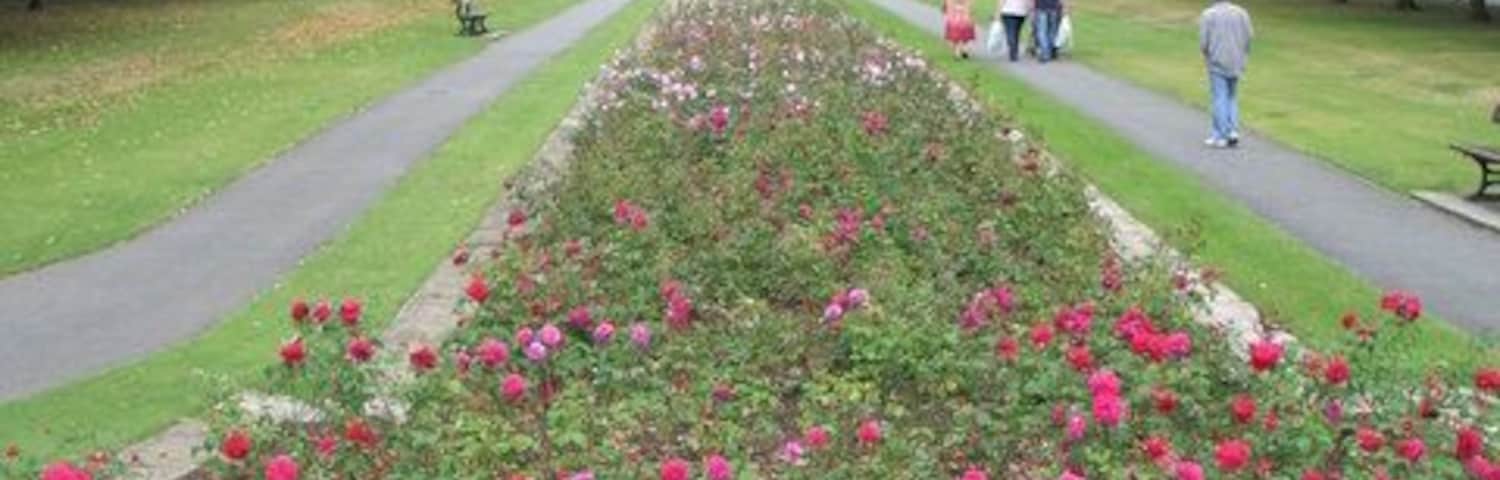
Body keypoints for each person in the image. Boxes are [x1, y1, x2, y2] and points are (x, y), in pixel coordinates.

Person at [1200, 0, 1253, 148]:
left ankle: (1220, 135)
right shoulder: (1241, 13)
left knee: (1219, 97)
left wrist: (1207, 55)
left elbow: (1204, 42)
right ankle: (1232, 131)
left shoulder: (1209, 14)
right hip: (1236, 61)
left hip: (1217, 60)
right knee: (1231, 96)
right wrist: (1243, 56)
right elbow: (1249, 37)